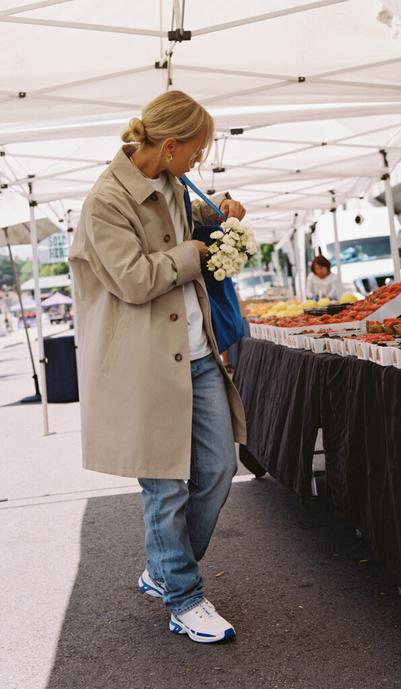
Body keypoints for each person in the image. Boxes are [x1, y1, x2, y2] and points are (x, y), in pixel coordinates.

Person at [69, 90, 247, 644]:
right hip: (146, 366)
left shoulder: (171, 182)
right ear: (169, 145)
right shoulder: (105, 201)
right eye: (197, 150)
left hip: (195, 354)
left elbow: (176, 227)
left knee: (218, 470)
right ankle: (183, 597)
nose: (200, 159)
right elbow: (134, 278)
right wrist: (196, 251)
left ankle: (165, 569)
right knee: (166, 487)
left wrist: (217, 208)